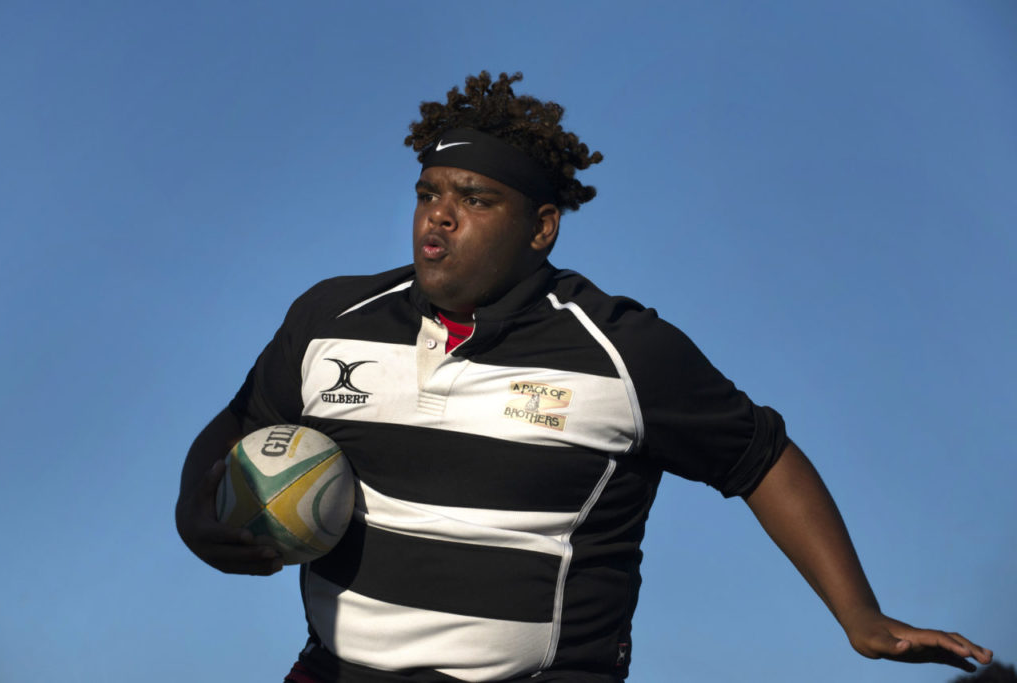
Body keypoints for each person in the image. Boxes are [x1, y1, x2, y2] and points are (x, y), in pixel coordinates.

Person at [175, 71, 993, 682]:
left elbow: (761, 457)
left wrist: (859, 615)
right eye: (429, 193)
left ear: (542, 228)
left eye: (475, 198)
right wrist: (193, 512)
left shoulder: (624, 351)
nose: (440, 214)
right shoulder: (331, 317)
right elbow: (244, 418)